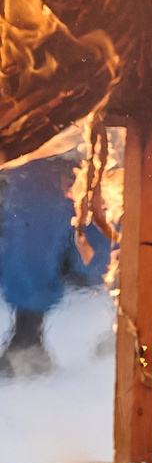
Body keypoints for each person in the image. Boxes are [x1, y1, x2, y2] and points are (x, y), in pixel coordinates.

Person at [0, 144, 110, 378]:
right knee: (33, 214)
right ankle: (27, 336)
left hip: (105, 132)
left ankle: (137, 314)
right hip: (41, 134)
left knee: (107, 211)